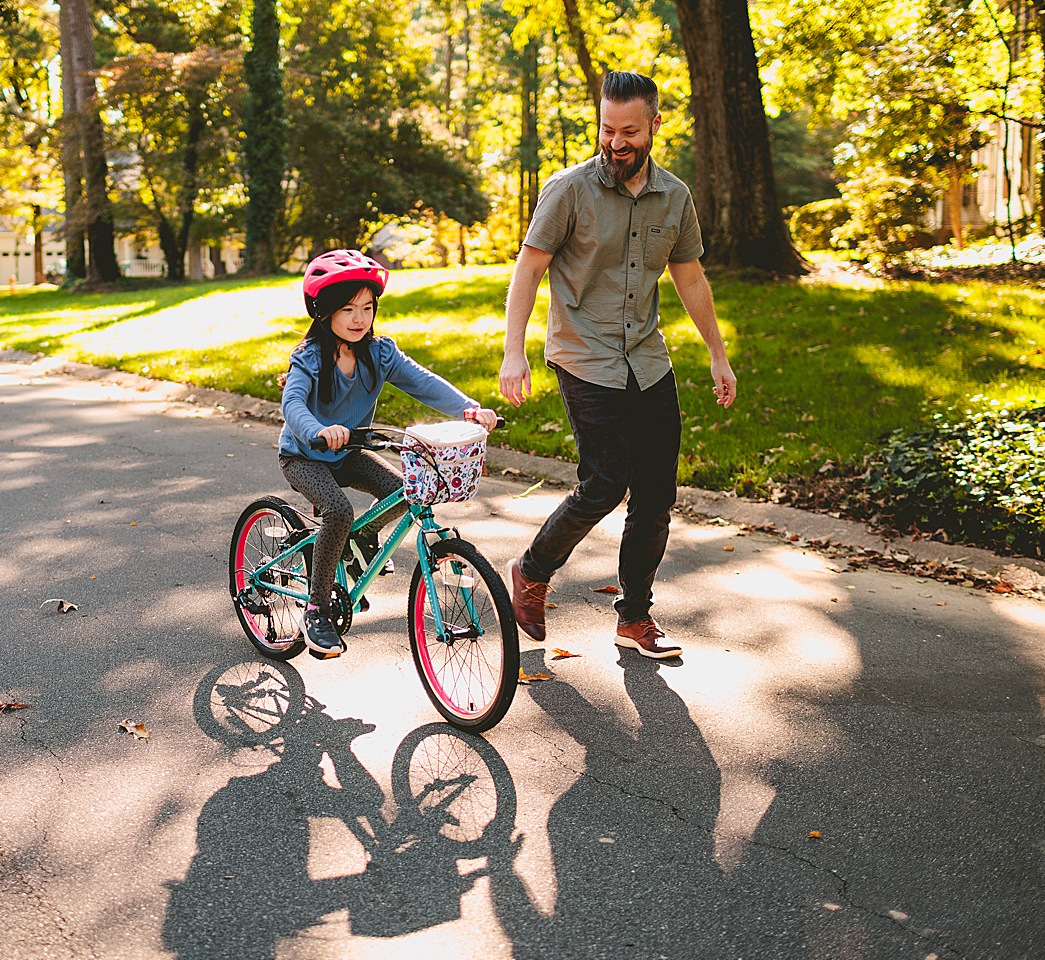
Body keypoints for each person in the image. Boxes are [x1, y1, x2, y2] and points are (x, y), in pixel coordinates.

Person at [498, 70, 737, 661]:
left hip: (648, 360)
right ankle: (531, 570)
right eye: (608, 129)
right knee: (605, 480)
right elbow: (528, 269)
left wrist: (716, 353)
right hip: (584, 353)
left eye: (630, 131)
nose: (616, 142)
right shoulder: (568, 190)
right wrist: (513, 350)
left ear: (655, 125)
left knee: (656, 494)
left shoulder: (674, 196)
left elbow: (689, 277)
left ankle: (634, 617)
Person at [280, 250, 499, 660]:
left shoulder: (379, 353)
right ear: (323, 312)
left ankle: (362, 539)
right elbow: (293, 405)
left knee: (406, 490)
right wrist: (318, 431)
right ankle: (317, 608)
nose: (359, 318)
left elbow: (424, 383)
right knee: (339, 511)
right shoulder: (309, 358)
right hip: (305, 455)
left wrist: (467, 408)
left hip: (349, 452)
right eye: (347, 309)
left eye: (366, 307)